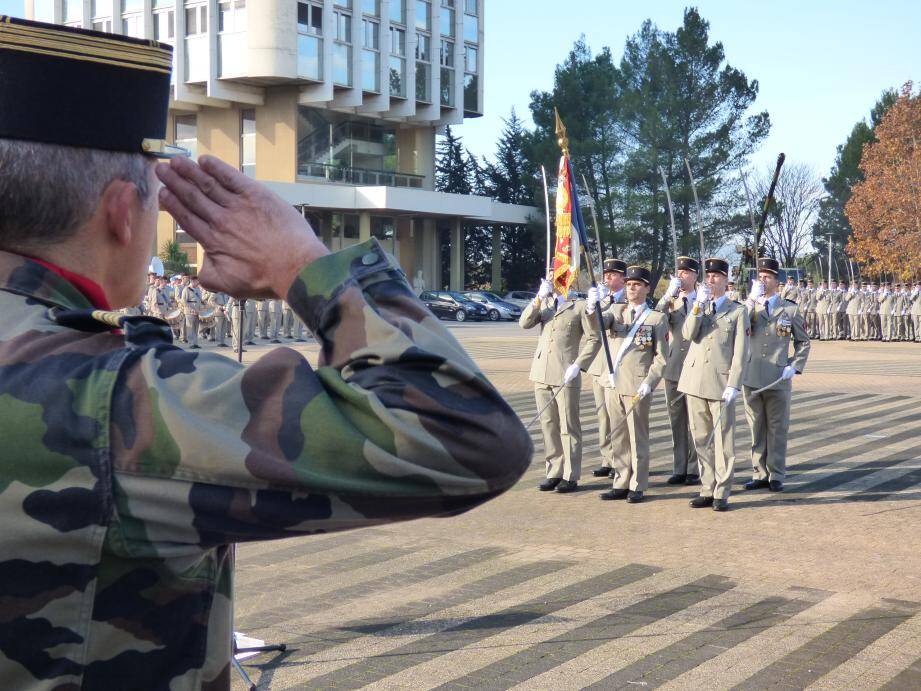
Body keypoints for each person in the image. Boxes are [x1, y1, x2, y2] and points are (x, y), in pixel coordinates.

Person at [0, 18, 531, 689]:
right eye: (158, 201)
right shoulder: (112, 398)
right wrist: (305, 263)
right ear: (122, 214)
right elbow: (461, 435)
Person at [677, 258, 750, 511]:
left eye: (716, 276)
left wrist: (734, 383)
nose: (711, 280)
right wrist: (697, 305)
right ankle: (707, 487)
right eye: (708, 276)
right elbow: (687, 333)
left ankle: (722, 490)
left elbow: (741, 353)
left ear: (726, 279)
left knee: (723, 440)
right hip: (694, 381)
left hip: (720, 383)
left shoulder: (738, 311)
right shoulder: (700, 307)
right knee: (700, 438)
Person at [592, 266, 667, 503]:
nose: (631, 288)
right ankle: (621, 481)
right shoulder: (616, 311)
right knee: (618, 436)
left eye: (637, 284)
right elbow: (597, 325)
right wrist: (591, 306)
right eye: (628, 284)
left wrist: (650, 382)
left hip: (637, 385)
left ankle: (638, 484)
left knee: (637, 436)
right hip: (613, 383)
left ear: (647, 287)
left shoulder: (656, 318)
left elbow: (662, 357)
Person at [520, 276, 599, 493]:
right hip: (541, 371)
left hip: (566, 374)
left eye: (558, 279)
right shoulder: (545, 303)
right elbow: (524, 323)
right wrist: (538, 297)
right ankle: (553, 471)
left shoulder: (579, 306)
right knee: (548, 425)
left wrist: (579, 365)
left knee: (568, 426)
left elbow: (595, 338)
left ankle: (570, 475)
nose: (554, 282)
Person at [741, 258, 811, 492]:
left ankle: (776, 473)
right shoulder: (749, 307)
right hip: (752, 376)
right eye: (760, 276)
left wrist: (795, 365)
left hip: (778, 377)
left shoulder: (789, 309)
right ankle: (759, 472)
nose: (763, 280)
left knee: (777, 428)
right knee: (756, 428)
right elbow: (741, 328)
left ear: (777, 281)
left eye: (768, 277)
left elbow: (803, 342)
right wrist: (751, 299)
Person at [655, 256, 701, 485]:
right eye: (679, 273)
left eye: (686, 273)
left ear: (695, 276)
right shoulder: (671, 301)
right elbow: (655, 317)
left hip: (695, 367)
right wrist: (667, 295)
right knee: (676, 422)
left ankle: (694, 467)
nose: (681, 277)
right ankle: (679, 467)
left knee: (694, 421)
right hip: (673, 368)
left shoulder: (702, 300)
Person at [585, 258, 627, 478]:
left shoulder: (629, 300)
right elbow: (591, 328)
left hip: (617, 365)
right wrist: (594, 304)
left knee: (616, 416)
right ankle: (607, 459)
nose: (608, 278)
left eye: (613, 274)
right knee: (602, 415)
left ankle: (620, 459)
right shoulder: (600, 300)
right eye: (606, 274)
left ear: (623, 278)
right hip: (598, 364)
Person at [179, 273, 204, 349]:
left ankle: (195, 343)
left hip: (197, 311)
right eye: (196, 281)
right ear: (192, 281)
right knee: (190, 327)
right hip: (189, 311)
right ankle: (191, 343)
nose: (198, 283)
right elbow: (183, 301)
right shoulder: (186, 289)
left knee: (196, 328)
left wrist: (202, 308)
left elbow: (200, 300)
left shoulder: (198, 289)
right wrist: (191, 309)